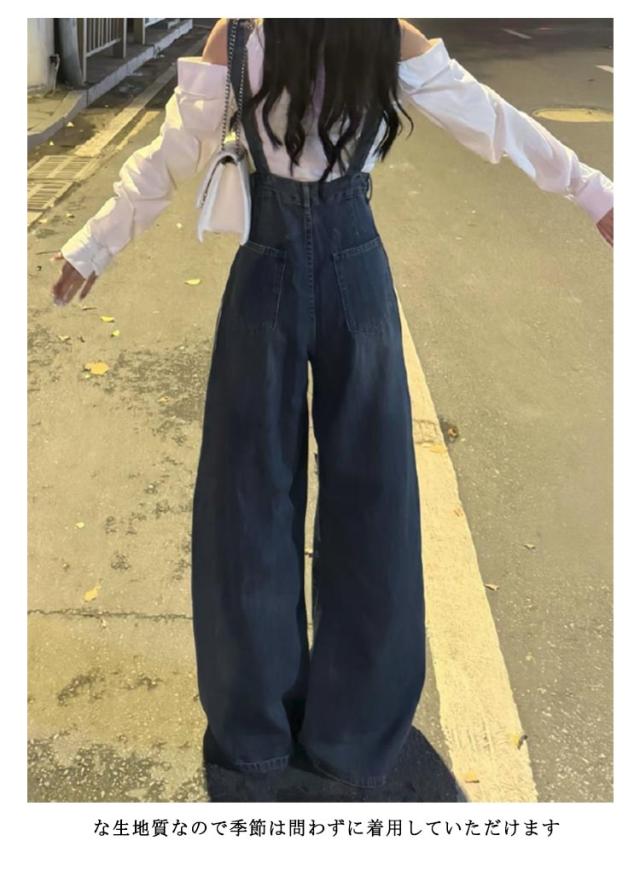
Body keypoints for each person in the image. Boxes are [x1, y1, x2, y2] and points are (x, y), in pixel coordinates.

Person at [50, 18, 613, 790]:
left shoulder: (239, 37)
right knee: (373, 500)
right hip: (357, 271)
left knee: (248, 500)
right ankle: (356, 732)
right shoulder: (383, 34)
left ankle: (255, 732)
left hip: (267, 273)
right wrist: (593, 191)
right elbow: (491, 120)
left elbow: (173, 154)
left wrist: (97, 244)